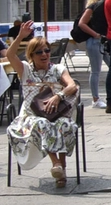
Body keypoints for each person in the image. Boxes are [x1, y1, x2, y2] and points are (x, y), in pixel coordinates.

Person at [5, 23, 79, 186]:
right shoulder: (25, 69)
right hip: (31, 116)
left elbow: (72, 86)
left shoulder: (58, 68)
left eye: (47, 50)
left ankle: (61, 169)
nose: (44, 54)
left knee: (64, 125)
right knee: (42, 123)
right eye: (39, 52)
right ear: (31, 55)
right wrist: (20, 37)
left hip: (57, 113)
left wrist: (58, 96)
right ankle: (57, 165)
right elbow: (10, 55)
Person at [76, 0, 111, 109]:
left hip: (106, 41)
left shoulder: (109, 6)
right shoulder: (93, 6)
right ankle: (95, 99)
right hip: (95, 41)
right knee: (96, 70)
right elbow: (82, 23)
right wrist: (96, 34)